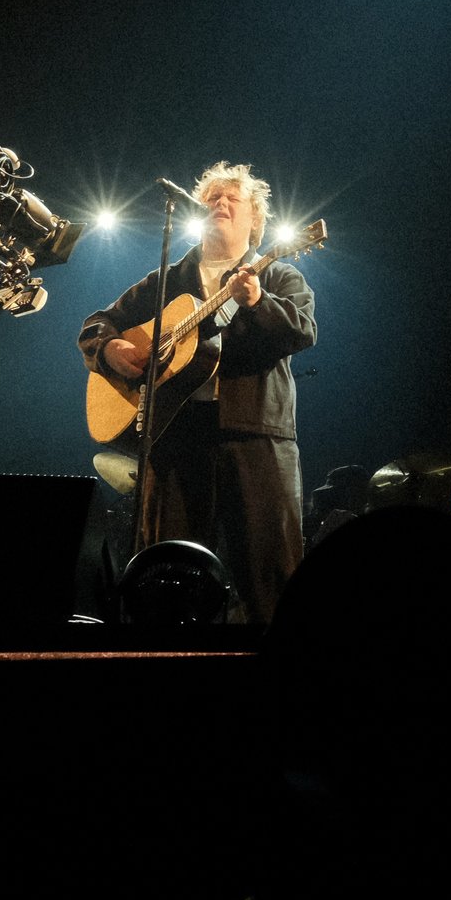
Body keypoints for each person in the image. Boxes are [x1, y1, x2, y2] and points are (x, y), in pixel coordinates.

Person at [80, 161, 316, 623]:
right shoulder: (168, 279)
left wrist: (257, 302)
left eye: (233, 199)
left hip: (256, 440)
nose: (220, 204)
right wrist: (109, 348)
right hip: (175, 438)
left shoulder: (278, 276)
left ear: (255, 220)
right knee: (165, 574)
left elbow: (302, 330)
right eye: (212, 198)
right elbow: (96, 324)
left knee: (270, 575)